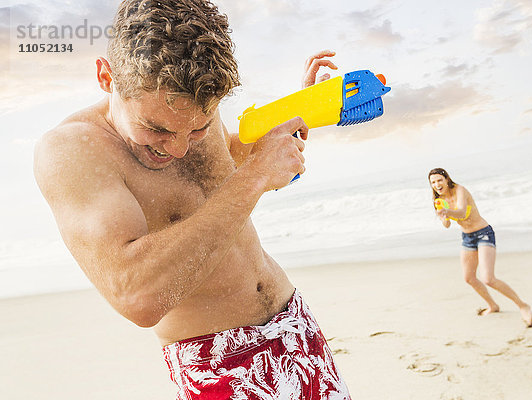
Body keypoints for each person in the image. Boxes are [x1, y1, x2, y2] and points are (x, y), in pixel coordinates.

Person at [33, 1, 350, 398]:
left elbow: (221, 171)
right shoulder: (71, 151)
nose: (179, 148)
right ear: (106, 76)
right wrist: (254, 178)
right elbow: (136, 296)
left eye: (199, 128)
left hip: (295, 323)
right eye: (157, 129)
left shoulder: (191, 99)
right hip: (217, 363)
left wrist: (296, 116)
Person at [428, 168, 532, 327]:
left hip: (483, 233)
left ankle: (523, 305)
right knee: (469, 278)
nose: (437, 184)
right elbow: (447, 224)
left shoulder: (460, 190)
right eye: (433, 182)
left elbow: (462, 211)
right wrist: (443, 216)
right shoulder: (439, 199)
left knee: (488, 278)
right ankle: (493, 305)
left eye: (439, 180)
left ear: (446, 179)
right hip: (467, 237)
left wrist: (447, 211)